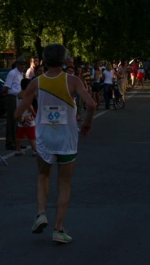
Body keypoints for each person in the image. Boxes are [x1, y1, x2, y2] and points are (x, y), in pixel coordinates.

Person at [14, 44, 95, 244]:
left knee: (43, 175)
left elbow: (18, 113)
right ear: (64, 60)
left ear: (44, 60)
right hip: (66, 138)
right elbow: (91, 104)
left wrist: (22, 120)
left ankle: (41, 213)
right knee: (64, 182)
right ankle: (58, 228)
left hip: (44, 138)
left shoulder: (36, 82)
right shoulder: (73, 80)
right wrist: (86, 122)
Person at [3, 56, 26, 150]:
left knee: (17, 121)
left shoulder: (21, 74)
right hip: (12, 97)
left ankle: (16, 142)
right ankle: (9, 142)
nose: (22, 66)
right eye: (20, 64)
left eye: (24, 64)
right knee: (12, 120)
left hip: (18, 97)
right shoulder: (12, 73)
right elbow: (6, 87)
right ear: (16, 64)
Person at [15, 78, 36, 157]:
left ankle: (17, 150)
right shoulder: (27, 95)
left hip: (21, 117)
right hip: (28, 117)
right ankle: (35, 150)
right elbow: (29, 106)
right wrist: (34, 114)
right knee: (31, 135)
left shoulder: (18, 94)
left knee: (19, 135)